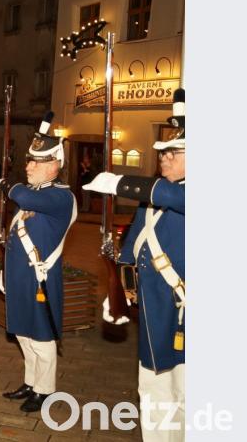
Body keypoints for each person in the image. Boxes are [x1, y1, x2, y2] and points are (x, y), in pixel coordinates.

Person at [84, 89, 186, 441]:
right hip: (153, 306)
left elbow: (174, 197)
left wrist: (120, 182)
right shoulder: (155, 193)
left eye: (174, 153)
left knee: (185, 393)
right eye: (163, 153)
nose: (164, 158)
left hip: (183, 310)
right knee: (152, 388)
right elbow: (133, 247)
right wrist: (119, 295)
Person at [0, 112, 77, 412]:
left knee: (41, 336)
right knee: (22, 332)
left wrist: (6, 184)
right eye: (29, 161)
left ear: (54, 165)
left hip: (40, 277)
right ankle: (31, 382)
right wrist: (6, 273)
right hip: (20, 276)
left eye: (35, 162)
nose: (28, 166)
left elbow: (23, 198)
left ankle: (45, 390)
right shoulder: (33, 193)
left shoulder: (61, 197)